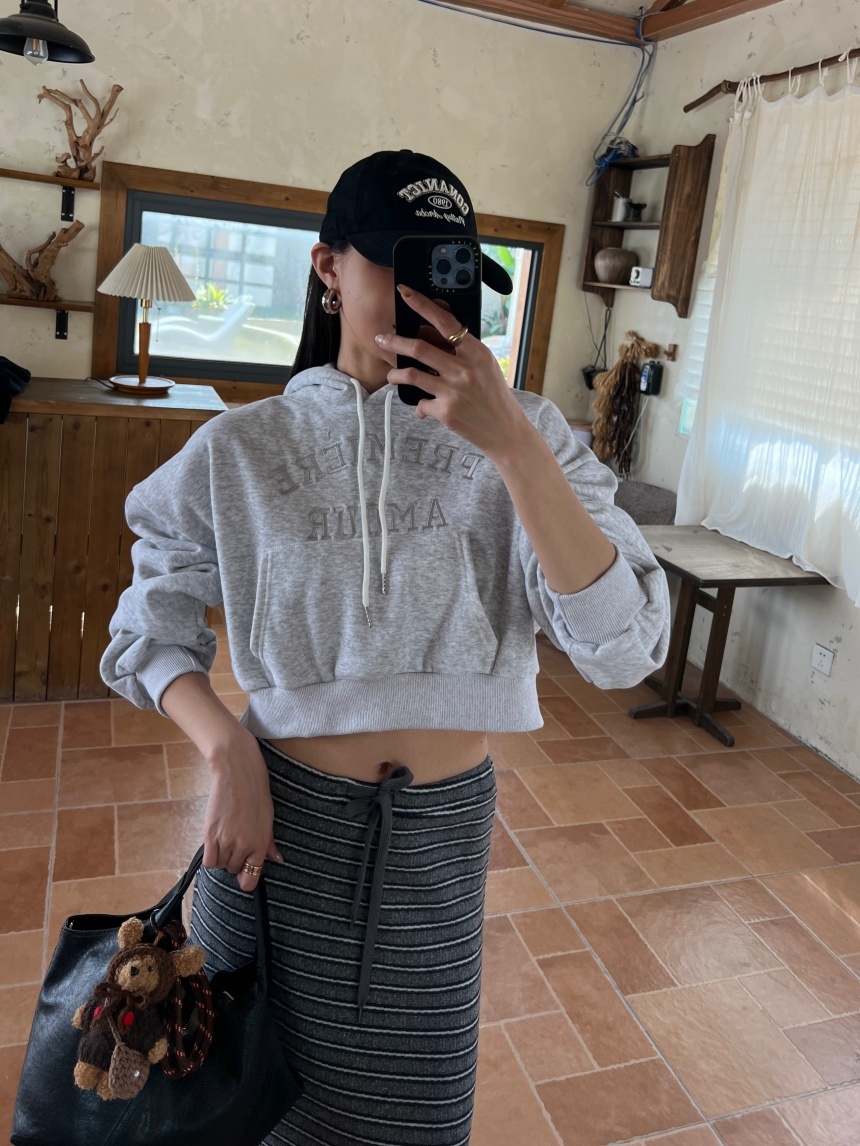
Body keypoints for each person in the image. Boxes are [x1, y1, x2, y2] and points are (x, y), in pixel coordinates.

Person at [100, 148, 670, 1146]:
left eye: (451, 274)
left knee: (417, 1120)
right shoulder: (244, 447)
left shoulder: (531, 437)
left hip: (438, 847)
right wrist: (227, 750)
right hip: (273, 840)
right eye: (403, 269)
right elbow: (146, 626)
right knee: (242, 1115)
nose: (430, 301)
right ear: (328, 267)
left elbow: (623, 649)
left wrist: (514, 447)